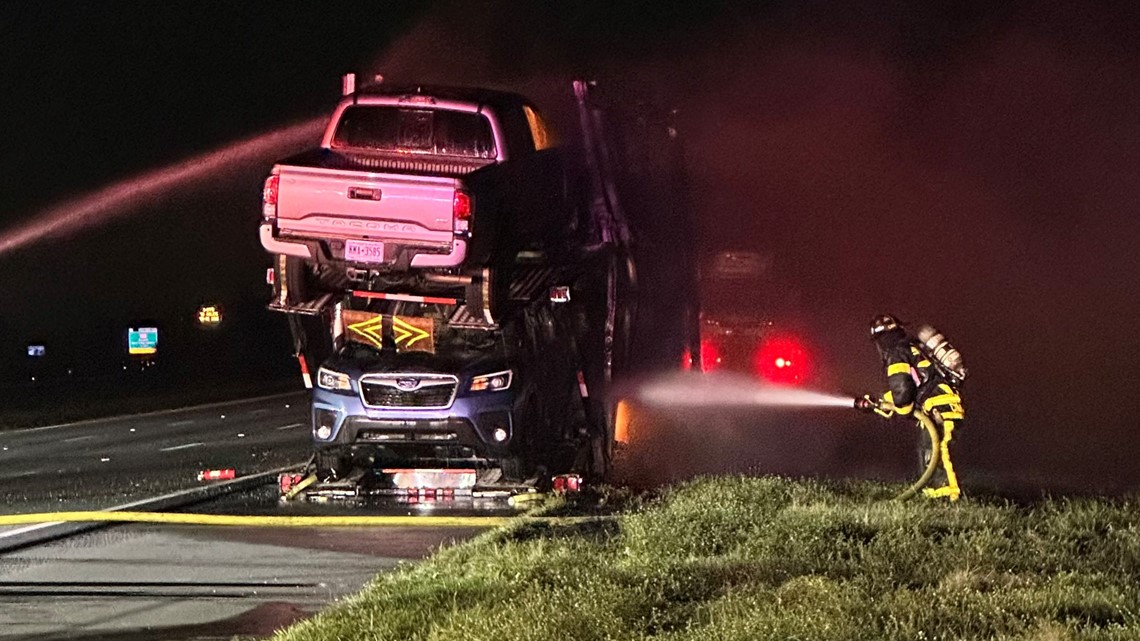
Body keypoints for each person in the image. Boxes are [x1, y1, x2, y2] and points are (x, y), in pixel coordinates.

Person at [858, 314, 966, 501]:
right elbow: (912, 386)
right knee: (928, 451)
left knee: (937, 451)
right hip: (938, 406)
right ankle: (935, 495)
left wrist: (902, 407)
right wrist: (877, 404)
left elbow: (901, 387)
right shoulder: (913, 348)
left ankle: (948, 497)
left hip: (937, 408)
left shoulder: (896, 353)